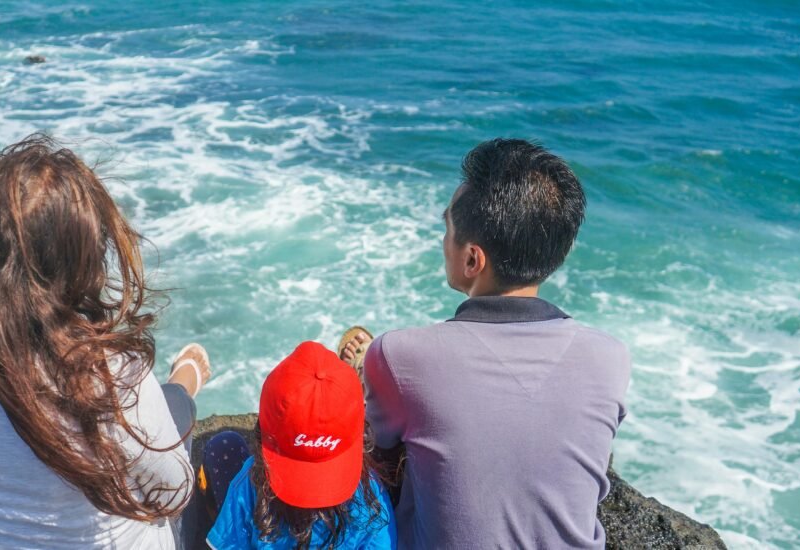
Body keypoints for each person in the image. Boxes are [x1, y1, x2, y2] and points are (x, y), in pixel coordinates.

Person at [0, 134, 211, 549]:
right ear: (86, 260)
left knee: (166, 405)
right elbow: (173, 496)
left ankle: (181, 385)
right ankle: (184, 383)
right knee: (177, 407)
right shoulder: (111, 373)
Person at [341, 139, 632, 548]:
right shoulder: (610, 358)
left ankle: (364, 381)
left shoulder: (401, 354)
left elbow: (376, 450)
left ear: (472, 260)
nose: (444, 240)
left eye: (447, 229)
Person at [205, 342, 396, 549]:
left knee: (223, 447)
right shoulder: (372, 498)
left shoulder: (251, 482)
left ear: (261, 432)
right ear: (362, 434)